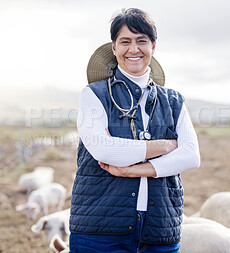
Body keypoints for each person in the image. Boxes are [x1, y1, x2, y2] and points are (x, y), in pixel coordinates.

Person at [69, 8, 200, 253]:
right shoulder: (93, 95)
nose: (134, 49)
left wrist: (134, 171)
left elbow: (192, 156)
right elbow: (104, 150)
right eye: (125, 41)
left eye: (142, 41)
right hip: (100, 231)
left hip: (160, 230)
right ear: (114, 47)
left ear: (153, 46)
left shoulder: (173, 101)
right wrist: (163, 146)